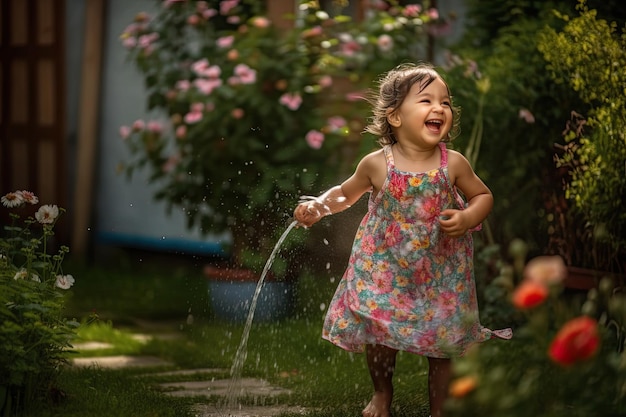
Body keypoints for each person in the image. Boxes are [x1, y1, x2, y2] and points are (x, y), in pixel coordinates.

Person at [294, 62, 512, 417]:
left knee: (444, 341)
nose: (439, 108)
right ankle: (382, 393)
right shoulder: (378, 164)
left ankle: (439, 408)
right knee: (380, 332)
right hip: (386, 267)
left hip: (441, 271)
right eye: (426, 100)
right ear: (395, 117)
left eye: (445, 102)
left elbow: (483, 196)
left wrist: (468, 216)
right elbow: (346, 194)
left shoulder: (453, 163)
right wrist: (319, 206)